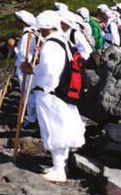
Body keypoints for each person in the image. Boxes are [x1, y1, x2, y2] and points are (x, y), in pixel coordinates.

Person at [21, 10, 86, 182]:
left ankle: (59, 170)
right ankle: (60, 165)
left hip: (52, 92)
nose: (40, 30)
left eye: (41, 27)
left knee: (54, 129)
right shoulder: (64, 40)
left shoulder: (51, 44)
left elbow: (49, 70)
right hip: (64, 92)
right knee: (61, 129)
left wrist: (33, 71)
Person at [11, 10, 41, 125]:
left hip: (25, 68)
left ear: (22, 22)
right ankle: (33, 117)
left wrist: (14, 46)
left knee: (28, 92)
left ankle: (32, 118)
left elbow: (24, 55)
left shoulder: (26, 35)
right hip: (31, 67)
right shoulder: (34, 32)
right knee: (31, 91)